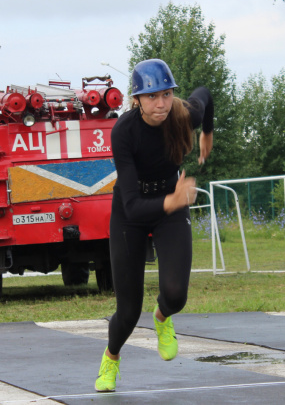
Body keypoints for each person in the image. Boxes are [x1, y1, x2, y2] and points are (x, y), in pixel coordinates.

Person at [95, 59, 214, 392]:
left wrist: (206, 133)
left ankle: (162, 318)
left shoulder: (183, 115)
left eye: (166, 94)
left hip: (169, 206)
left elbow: (205, 95)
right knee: (128, 312)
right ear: (137, 100)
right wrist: (172, 201)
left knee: (176, 295)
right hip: (129, 213)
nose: (160, 103)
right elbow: (132, 206)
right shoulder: (123, 132)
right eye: (151, 97)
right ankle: (111, 357)